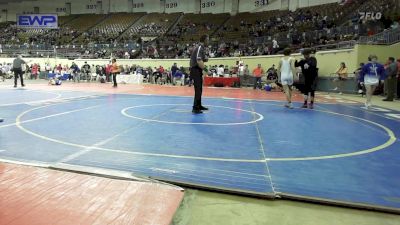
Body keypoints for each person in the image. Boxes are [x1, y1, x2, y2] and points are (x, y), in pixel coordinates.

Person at [190, 34, 209, 114]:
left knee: (200, 89)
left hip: (197, 70)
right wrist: (205, 69)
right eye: (208, 40)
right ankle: (195, 108)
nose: (209, 41)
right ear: (204, 40)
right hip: (195, 69)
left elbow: (202, 59)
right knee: (198, 89)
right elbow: (198, 60)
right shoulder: (200, 47)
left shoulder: (202, 48)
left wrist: (205, 58)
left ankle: (199, 105)